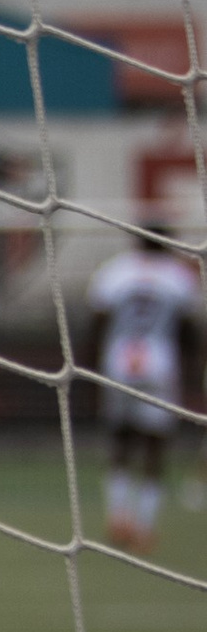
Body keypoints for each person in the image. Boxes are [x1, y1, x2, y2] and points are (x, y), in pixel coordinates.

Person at [86, 232, 201, 557]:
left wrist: (90, 373)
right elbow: (188, 329)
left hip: (119, 361)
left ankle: (118, 516)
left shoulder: (113, 271)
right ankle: (145, 526)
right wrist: (192, 374)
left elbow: (97, 324)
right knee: (155, 445)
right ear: (165, 242)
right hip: (160, 365)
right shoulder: (179, 277)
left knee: (120, 439)